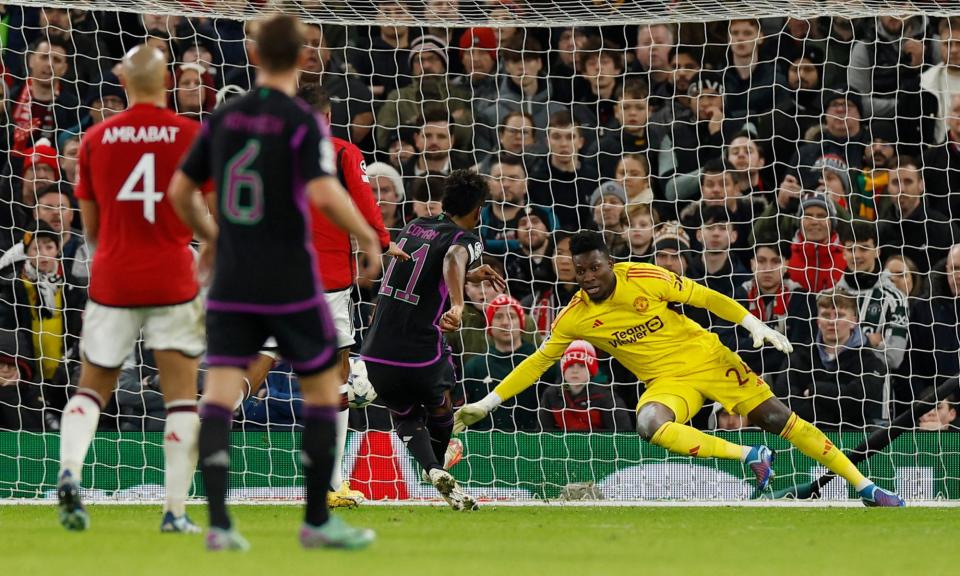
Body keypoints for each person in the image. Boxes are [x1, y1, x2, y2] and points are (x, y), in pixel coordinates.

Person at [454, 231, 904, 507]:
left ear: (610, 263)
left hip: (708, 359)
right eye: (579, 270)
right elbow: (537, 362)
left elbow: (705, 298)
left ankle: (864, 487)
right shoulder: (574, 316)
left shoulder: (646, 277)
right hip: (668, 383)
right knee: (649, 424)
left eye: (594, 267)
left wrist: (752, 322)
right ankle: (750, 457)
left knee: (779, 419)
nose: (588, 277)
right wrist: (488, 402)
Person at [167, 14, 380, 551]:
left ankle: (218, 524)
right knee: (323, 388)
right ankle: (317, 517)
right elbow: (326, 192)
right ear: (307, 57)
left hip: (234, 277)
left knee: (217, 391)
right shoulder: (303, 121)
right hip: (289, 275)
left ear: (254, 54)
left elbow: (180, 191)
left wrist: (210, 238)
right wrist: (369, 237)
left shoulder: (223, 117)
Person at [54, 44, 206, 534]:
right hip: (173, 275)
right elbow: (206, 214)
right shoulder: (192, 135)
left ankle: (70, 471)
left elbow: (91, 229)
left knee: (92, 388)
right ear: (168, 82)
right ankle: (174, 512)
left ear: (123, 80)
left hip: (114, 275)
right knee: (183, 397)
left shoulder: (96, 138)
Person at [360, 169, 504, 511]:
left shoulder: (412, 227)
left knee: (405, 415)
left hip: (376, 350)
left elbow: (429, 268)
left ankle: (433, 470)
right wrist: (458, 301)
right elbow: (453, 257)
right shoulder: (466, 238)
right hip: (419, 352)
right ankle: (442, 458)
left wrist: (468, 275)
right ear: (478, 209)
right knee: (443, 403)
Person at [297, 83, 404, 509]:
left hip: (271, 280)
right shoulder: (341, 153)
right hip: (326, 280)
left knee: (257, 368)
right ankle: (328, 480)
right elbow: (362, 198)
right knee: (337, 376)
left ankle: (207, 426)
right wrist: (380, 239)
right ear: (327, 117)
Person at [773, 289, 887, 430]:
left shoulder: (871, 362)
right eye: (826, 315)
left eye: (839, 315)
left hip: (853, 439)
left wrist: (815, 390)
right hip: (805, 436)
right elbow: (784, 401)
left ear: (854, 321)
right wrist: (833, 415)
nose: (832, 321)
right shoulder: (798, 356)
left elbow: (859, 403)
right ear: (818, 321)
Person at [835, 221, 909, 372]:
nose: (856, 255)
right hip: (834, 388)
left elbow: (894, 357)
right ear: (843, 253)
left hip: (876, 391)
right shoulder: (832, 295)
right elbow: (821, 350)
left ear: (877, 251)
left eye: (864, 248)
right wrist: (868, 341)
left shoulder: (895, 299)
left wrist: (844, 347)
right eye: (850, 249)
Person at [538, 340, 630, 432]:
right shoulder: (552, 394)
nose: (575, 370)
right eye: (570, 366)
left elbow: (622, 437)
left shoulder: (607, 398)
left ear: (591, 372)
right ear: (563, 370)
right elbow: (542, 433)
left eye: (582, 366)